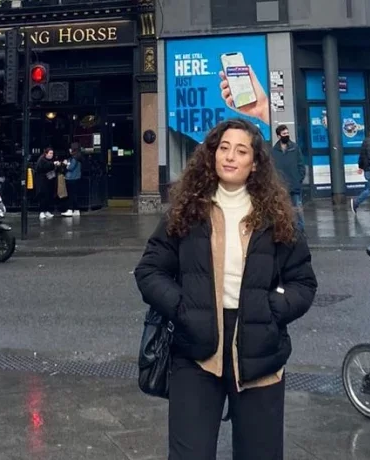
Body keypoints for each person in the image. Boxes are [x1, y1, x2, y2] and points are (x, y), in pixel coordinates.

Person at [135, 118, 317, 460]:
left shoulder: (277, 216)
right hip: (195, 351)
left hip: (260, 353)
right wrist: (183, 308)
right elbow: (150, 270)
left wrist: (271, 311)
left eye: (241, 151)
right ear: (212, 154)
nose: (230, 156)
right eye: (224, 148)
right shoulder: (188, 209)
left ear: (255, 163)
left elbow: (303, 282)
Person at [272, 124, 306, 231]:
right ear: (278, 136)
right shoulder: (274, 151)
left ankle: (300, 231)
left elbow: (301, 165)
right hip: (281, 186)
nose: (286, 135)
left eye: (287, 133)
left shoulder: (294, 148)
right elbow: (272, 168)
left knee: (297, 210)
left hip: (294, 185)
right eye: (284, 134)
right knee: (282, 210)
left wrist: (299, 179)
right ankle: (286, 230)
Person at [35, 148, 59, 220]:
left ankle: (46, 211)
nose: (51, 155)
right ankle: (42, 212)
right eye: (50, 153)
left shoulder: (50, 160)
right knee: (43, 196)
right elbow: (44, 167)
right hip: (42, 181)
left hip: (49, 180)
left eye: (52, 153)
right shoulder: (42, 159)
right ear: (46, 153)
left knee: (48, 196)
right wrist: (53, 164)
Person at [61, 143, 82, 217]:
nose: (69, 150)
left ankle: (70, 209)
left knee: (71, 195)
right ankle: (76, 210)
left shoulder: (74, 158)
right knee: (74, 194)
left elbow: (70, 168)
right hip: (76, 177)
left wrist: (66, 164)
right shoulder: (78, 157)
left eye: (70, 148)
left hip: (71, 178)